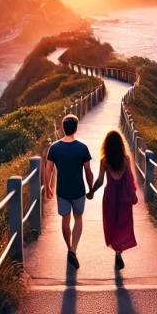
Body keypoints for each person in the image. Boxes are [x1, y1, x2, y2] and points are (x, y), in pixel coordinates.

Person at [45, 114, 94, 270]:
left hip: (62, 191)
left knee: (65, 220)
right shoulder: (82, 148)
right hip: (79, 190)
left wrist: (47, 188)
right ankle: (73, 249)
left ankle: (69, 248)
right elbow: (88, 171)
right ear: (76, 128)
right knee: (78, 218)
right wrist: (91, 188)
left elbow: (48, 171)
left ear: (62, 128)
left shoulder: (54, 147)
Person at [88, 130, 137, 270]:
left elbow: (100, 180)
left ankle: (116, 249)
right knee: (123, 223)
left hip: (110, 196)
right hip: (123, 197)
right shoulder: (126, 159)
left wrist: (91, 192)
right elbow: (131, 179)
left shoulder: (105, 161)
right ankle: (119, 250)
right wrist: (133, 195)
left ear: (107, 145)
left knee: (111, 224)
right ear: (121, 144)